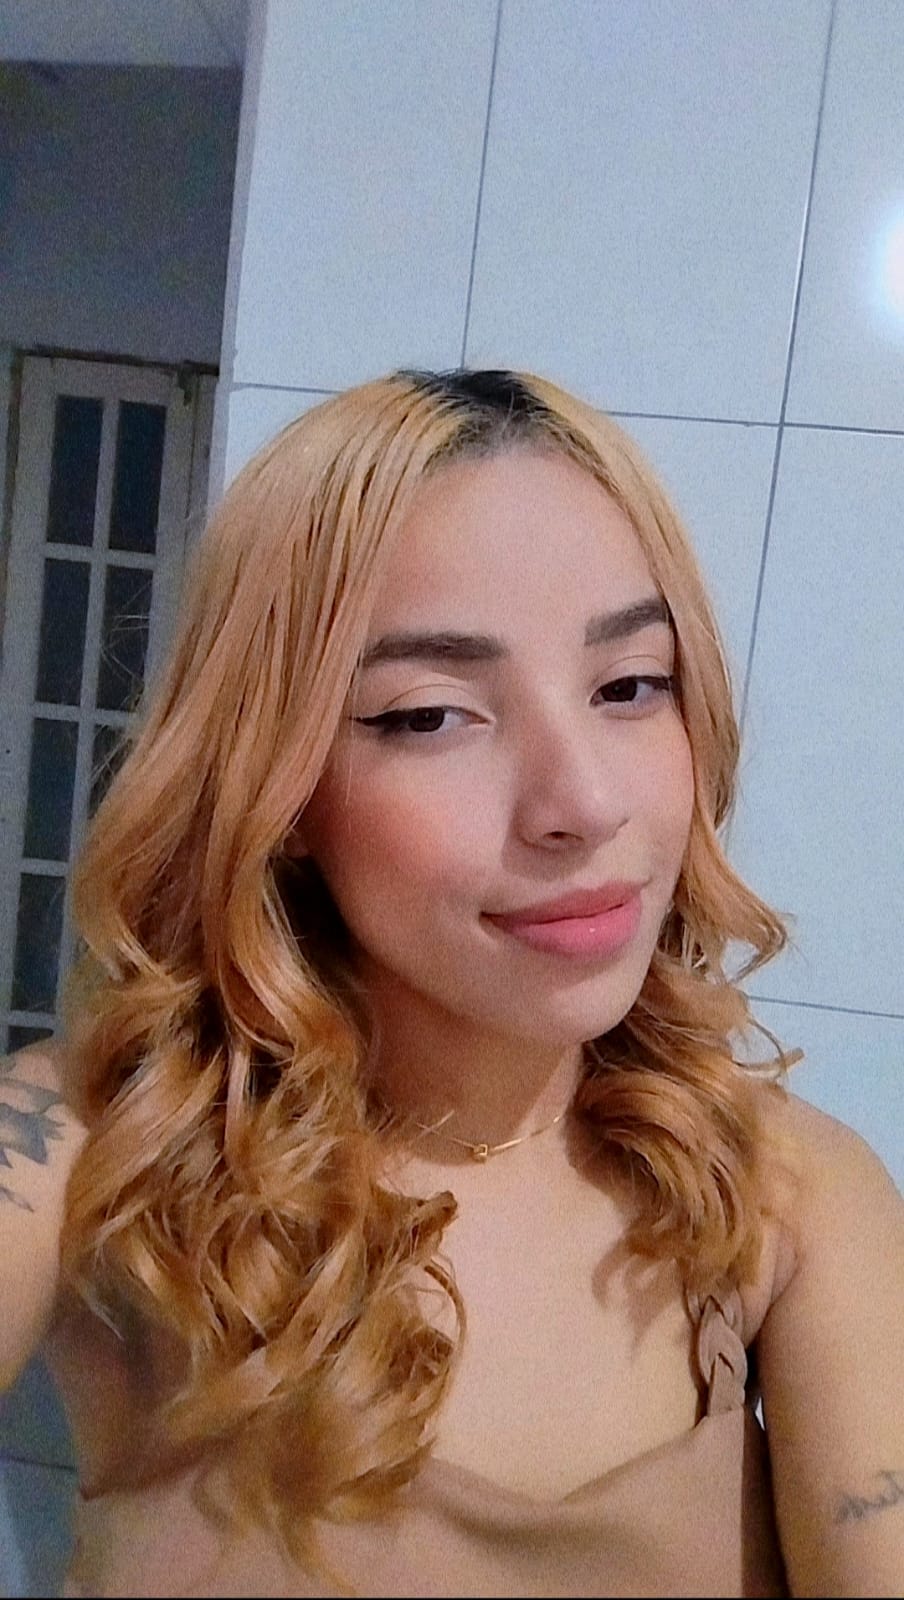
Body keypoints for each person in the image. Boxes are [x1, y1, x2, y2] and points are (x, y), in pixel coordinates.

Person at [1, 367, 901, 1599]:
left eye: (630, 686)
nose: (583, 803)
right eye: (430, 715)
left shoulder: (792, 1196)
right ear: (278, 786)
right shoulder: (86, 1145)